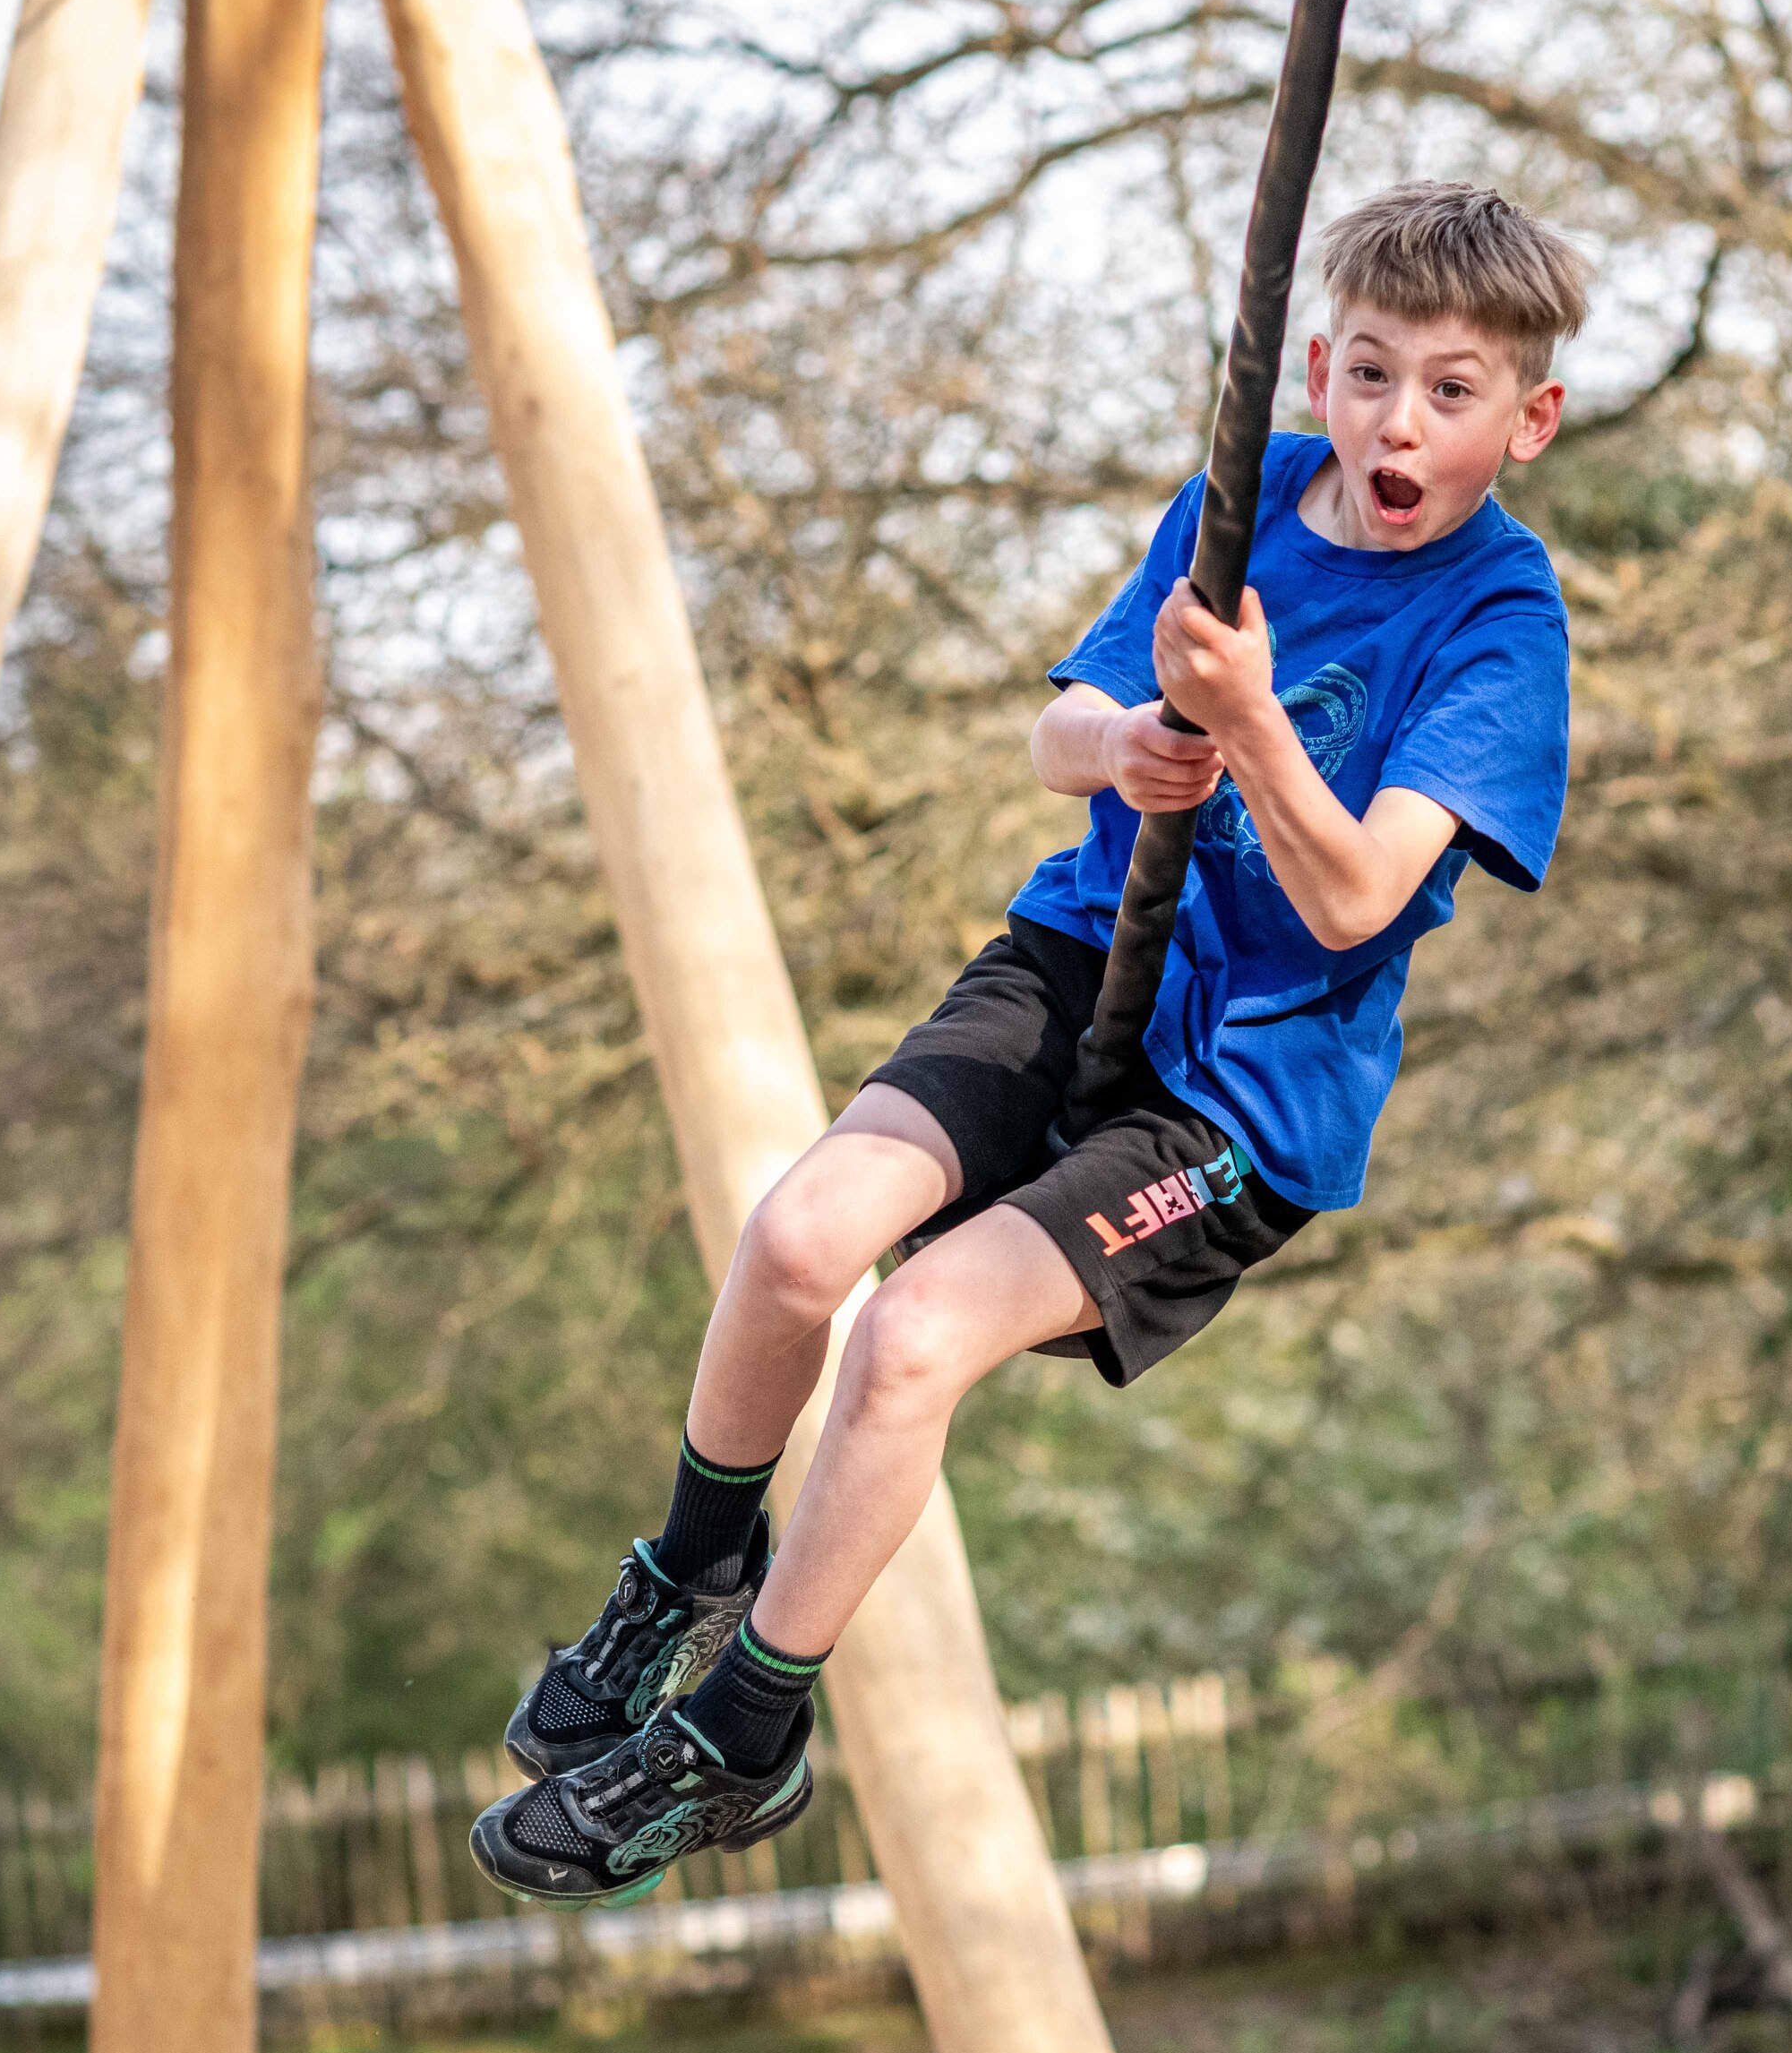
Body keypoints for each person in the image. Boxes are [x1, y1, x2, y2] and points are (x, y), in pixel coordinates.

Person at [471, 180, 1589, 1906]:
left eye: (1451, 392)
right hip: (1078, 959)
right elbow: (1060, 724)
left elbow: (1362, 894)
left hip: (1235, 1096)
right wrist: (1134, 737)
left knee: (910, 1334)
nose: (1396, 421)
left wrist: (1248, 723)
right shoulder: (1240, 509)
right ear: (1315, 368)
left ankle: (743, 1739)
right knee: (795, 1244)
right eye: (1370, 373)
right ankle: (683, 1575)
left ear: (1528, 418)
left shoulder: (1502, 619)